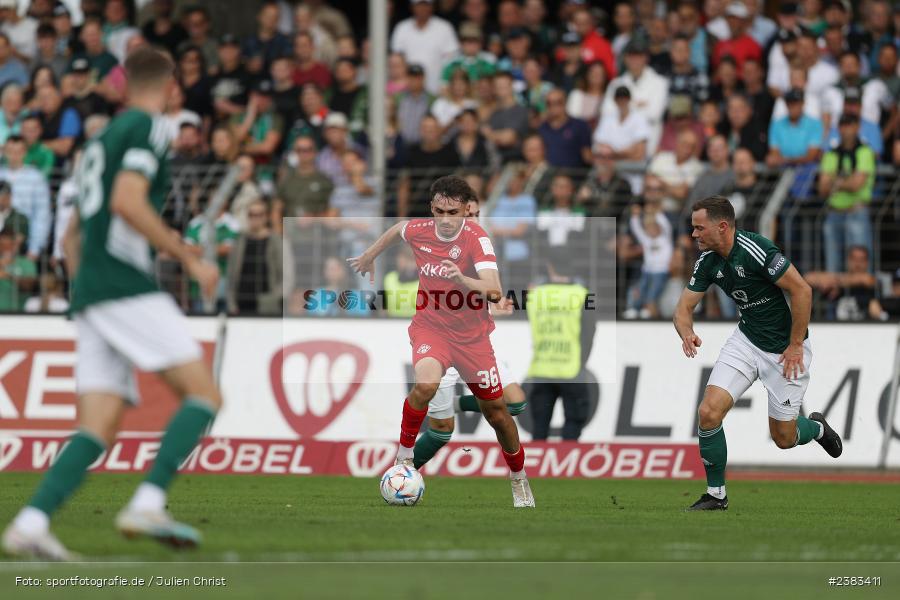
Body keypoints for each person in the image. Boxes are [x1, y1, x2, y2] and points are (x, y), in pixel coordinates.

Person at [2, 47, 223, 560]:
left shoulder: (100, 139)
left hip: (93, 293)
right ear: (171, 90)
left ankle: (31, 524)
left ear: (123, 87)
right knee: (204, 395)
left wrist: (84, 294)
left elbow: (73, 234)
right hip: (125, 284)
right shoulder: (149, 129)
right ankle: (148, 502)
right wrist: (186, 257)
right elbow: (128, 200)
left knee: (98, 426)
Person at [347, 175, 534, 508]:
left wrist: (462, 278)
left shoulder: (477, 238)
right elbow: (397, 230)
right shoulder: (420, 230)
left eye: (453, 212)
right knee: (426, 385)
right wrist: (369, 255)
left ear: (465, 210)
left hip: (473, 339)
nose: (446, 220)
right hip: (431, 329)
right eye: (439, 211)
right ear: (431, 208)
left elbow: (494, 289)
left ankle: (519, 478)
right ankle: (404, 459)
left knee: (498, 413)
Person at [673, 196, 842, 511]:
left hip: (785, 351)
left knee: (783, 438)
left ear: (722, 226)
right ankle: (716, 495)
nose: (694, 235)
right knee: (708, 412)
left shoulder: (756, 250)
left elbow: (802, 290)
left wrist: (794, 345)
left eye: (699, 228)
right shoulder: (708, 261)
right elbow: (683, 308)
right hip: (746, 341)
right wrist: (687, 333)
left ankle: (816, 427)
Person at [410, 191, 529, 468]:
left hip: (475, 341)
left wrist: (496, 304)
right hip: (442, 338)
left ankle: (457, 404)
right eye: (470, 215)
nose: (472, 220)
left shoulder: (483, 245)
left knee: (515, 404)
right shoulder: (445, 244)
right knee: (441, 431)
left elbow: (489, 290)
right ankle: (399, 474)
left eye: (476, 215)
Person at [526, 249, 595, 441]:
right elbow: (589, 335)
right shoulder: (582, 295)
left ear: (549, 266)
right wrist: (581, 363)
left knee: (539, 427)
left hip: (541, 367)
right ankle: (566, 467)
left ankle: (537, 467)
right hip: (570, 368)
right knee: (573, 422)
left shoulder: (535, 294)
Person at [818, 114, 876, 273]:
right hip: (834, 213)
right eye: (843, 125)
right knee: (833, 266)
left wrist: (834, 181)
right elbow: (822, 188)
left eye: (850, 125)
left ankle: (862, 298)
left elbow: (857, 184)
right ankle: (835, 298)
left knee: (860, 265)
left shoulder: (865, 151)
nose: (846, 129)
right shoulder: (831, 153)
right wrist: (846, 181)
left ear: (857, 127)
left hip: (856, 211)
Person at [226, 199, 285, 316]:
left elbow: (286, 275)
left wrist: (274, 298)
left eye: (259, 215)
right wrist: (231, 303)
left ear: (266, 217)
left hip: (268, 306)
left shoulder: (276, 241)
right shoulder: (240, 240)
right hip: (241, 304)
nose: (255, 218)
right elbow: (231, 274)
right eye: (251, 214)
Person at [390, 0, 460, 95]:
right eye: (419, 5)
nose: (422, 9)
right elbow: (396, 62)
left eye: (426, 5)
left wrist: (445, 84)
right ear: (412, 7)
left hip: (437, 90)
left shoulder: (444, 28)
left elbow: (452, 61)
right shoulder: (402, 28)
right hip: (407, 92)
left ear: (432, 7)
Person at [805, 245, 887, 321]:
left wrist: (835, 282)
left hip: (865, 328)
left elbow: (865, 279)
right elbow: (808, 277)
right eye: (854, 259)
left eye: (862, 260)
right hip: (835, 327)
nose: (857, 264)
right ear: (848, 260)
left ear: (867, 262)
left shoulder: (872, 281)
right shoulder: (841, 281)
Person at [0, 136, 50, 260]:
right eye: (10, 151)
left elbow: (42, 214)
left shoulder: (36, 178)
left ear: (25, 153)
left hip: (24, 240)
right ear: (4, 152)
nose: (14, 155)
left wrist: (34, 248)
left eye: (18, 151)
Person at [624, 200, 673, 319]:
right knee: (640, 289)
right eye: (648, 228)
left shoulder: (665, 238)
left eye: (654, 227)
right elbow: (636, 229)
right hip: (647, 270)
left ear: (658, 227)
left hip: (661, 271)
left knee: (653, 291)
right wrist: (635, 216)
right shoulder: (646, 240)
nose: (651, 230)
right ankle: (634, 308)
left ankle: (647, 309)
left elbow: (666, 225)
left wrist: (657, 213)